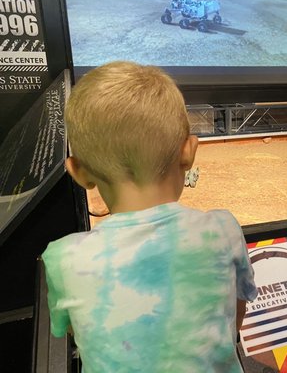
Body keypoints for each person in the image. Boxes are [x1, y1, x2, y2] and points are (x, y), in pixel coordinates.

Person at [42, 61, 257, 372]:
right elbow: (233, 321)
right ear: (189, 151)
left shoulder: (63, 259)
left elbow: (78, 331)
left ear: (79, 172)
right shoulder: (222, 230)